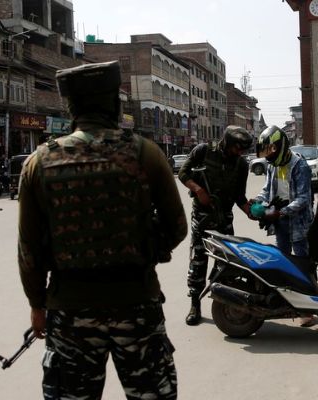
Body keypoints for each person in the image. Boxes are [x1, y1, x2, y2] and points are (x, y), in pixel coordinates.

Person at [17, 61, 186, 400]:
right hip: (137, 304)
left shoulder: (39, 162)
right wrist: (143, 249)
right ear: (114, 103)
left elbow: (29, 249)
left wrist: (38, 305)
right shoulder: (145, 153)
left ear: (71, 107)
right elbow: (177, 227)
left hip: (70, 308)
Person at [178, 125, 254, 326]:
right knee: (198, 261)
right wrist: (198, 189)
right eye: (237, 148)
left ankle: (223, 301)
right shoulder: (203, 151)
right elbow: (183, 173)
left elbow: (239, 196)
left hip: (224, 221)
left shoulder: (241, 165)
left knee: (227, 263)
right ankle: (195, 304)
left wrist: (250, 211)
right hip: (202, 219)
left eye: (243, 150)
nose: (240, 152)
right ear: (228, 142)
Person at [254, 126, 316, 327]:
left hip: (298, 222)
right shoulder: (273, 166)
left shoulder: (300, 166)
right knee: (283, 261)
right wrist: (257, 201)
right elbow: (267, 189)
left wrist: (281, 212)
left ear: (280, 146)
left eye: (271, 149)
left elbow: (303, 199)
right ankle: (290, 301)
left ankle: (309, 307)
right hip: (280, 220)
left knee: (302, 262)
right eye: (266, 150)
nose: (269, 154)